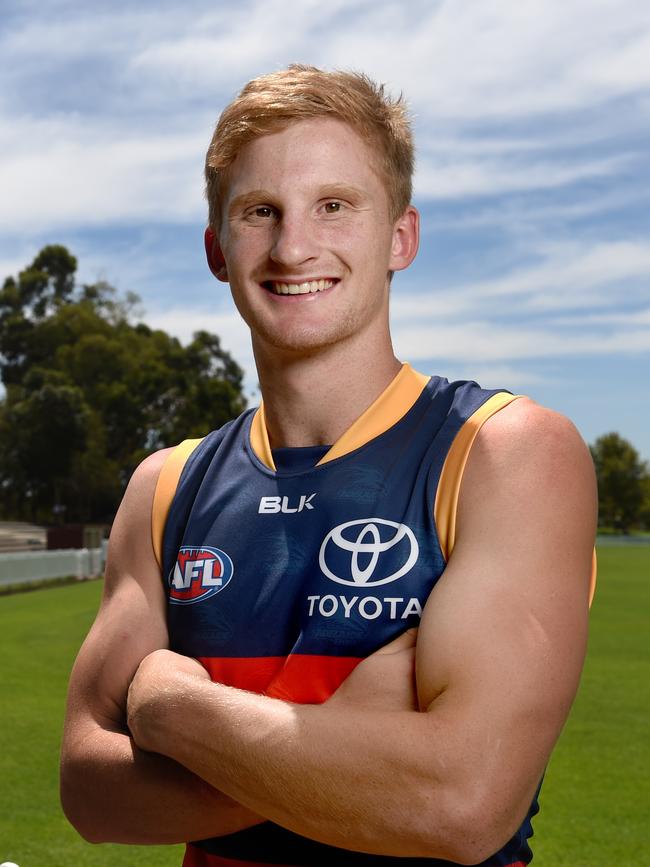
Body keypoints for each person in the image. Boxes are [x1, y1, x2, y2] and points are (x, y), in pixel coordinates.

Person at [60, 65, 597, 867]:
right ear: (216, 248)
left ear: (400, 238)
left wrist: (175, 708)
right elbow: (90, 792)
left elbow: (462, 801)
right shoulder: (165, 488)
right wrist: (346, 738)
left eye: (335, 206)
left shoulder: (503, 453)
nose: (293, 246)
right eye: (259, 211)